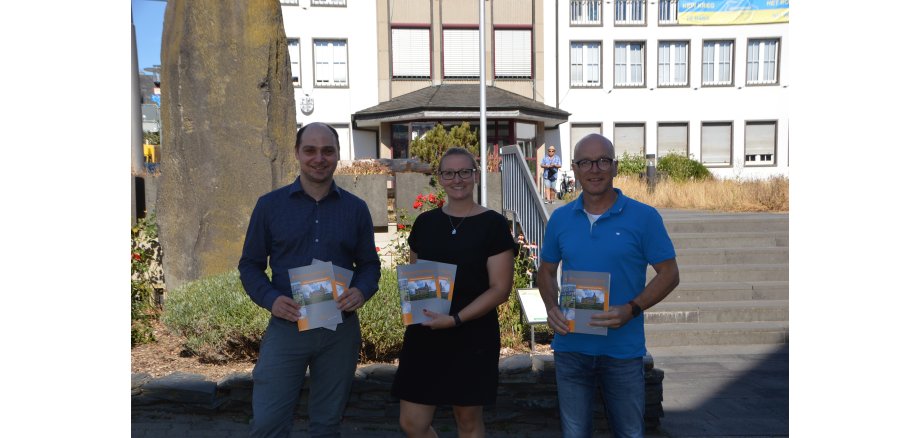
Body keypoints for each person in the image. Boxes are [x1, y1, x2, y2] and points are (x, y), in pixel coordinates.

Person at [238, 122, 382, 437]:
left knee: (327, 424)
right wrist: (271, 300)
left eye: (328, 150)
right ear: (297, 154)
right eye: (311, 150)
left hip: (339, 332)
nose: (319, 158)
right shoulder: (269, 206)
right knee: (268, 424)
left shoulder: (356, 209)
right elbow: (249, 265)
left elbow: (370, 265)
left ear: (338, 155)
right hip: (287, 328)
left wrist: (361, 290)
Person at [536, 133, 680, 438]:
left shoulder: (644, 217)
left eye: (602, 161)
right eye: (586, 162)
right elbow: (546, 271)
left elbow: (669, 273)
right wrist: (551, 308)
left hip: (622, 351)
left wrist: (632, 308)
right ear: (573, 169)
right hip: (571, 348)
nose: (595, 169)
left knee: (630, 433)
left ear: (614, 167)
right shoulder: (560, 219)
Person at [391, 147, 517, 438]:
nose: (457, 179)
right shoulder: (425, 223)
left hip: (472, 333)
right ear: (440, 178)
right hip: (425, 333)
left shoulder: (493, 225)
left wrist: (456, 319)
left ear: (475, 175)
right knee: (412, 423)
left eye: (464, 172)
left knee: (468, 422)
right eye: (449, 173)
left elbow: (500, 289)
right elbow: (415, 276)